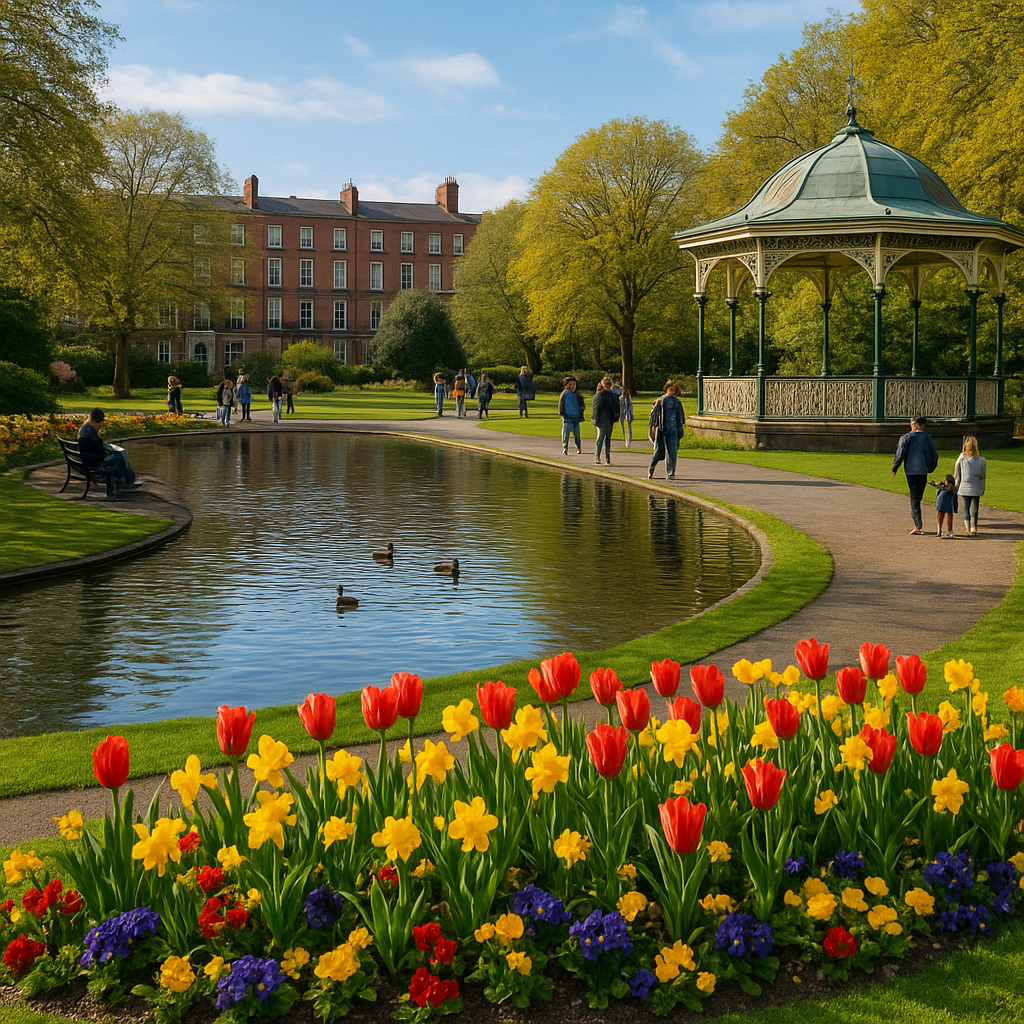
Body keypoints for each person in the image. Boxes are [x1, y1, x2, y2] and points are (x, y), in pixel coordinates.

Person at [891, 415, 939, 535]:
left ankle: (918, 525)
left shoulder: (906, 438)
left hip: (911, 470)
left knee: (914, 497)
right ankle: (917, 522)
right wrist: (930, 468)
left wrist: (895, 468)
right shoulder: (927, 438)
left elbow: (900, 454)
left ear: (917, 425)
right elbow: (934, 455)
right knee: (917, 496)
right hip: (923, 470)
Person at [77, 408, 135, 499]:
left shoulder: (85, 427)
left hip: (89, 459)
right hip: (94, 462)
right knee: (119, 457)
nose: (101, 425)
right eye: (101, 422)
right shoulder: (90, 432)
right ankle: (126, 482)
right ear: (98, 421)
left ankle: (127, 481)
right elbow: (100, 450)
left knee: (118, 455)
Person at [647, 380, 686, 480]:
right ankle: (652, 467)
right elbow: (654, 417)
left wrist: (680, 428)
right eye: (671, 389)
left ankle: (670, 473)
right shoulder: (660, 401)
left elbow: (680, 417)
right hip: (662, 429)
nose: (672, 392)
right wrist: (653, 428)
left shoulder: (676, 402)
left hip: (672, 430)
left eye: (674, 390)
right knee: (660, 452)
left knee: (671, 452)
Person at [954, 434, 987, 536]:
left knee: (966, 507)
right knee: (974, 507)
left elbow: (957, 472)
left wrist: (956, 484)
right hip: (976, 486)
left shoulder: (962, 458)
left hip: (964, 486)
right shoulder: (981, 460)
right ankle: (973, 528)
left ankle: (968, 528)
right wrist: (982, 488)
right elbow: (983, 476)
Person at [591, 375, 620, 465]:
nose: (607, 386)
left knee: (608, 439)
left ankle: (607, 458)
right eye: (606, 384)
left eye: (609, 384)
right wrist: (596, 420)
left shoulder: (613, 395)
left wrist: (616, 416)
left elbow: (616, 408)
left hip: (609, 419)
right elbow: (596, 409)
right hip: (601, 419)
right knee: (600, 437)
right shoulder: (599, 395)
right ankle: (597, 456)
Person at [557, 376, 586, 455]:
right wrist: (562, 414)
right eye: (570, 384)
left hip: (576, 417)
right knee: (566, 434)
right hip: (567, 417)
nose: (572, 386)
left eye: (574, 384)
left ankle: (578, 447)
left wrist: (581, 412)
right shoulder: (565, 394)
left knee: (577, 434)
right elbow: (561, 405)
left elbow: (582, 405)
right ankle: (565, 448)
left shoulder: (577, 394)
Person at [932, 473, 958, 538]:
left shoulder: (942, 489)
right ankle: (948, 530)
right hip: (947, 504)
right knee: (947, 517)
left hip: (942, 504)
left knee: (940, 517)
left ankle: (940, 530)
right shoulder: (951, 490)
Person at [616, 381, 634, 446]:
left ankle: (628, 440)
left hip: (627, 413)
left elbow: (630, 406)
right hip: (621, 412)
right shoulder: (620, 396)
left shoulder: (628, 398)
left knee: (628, 427)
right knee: (623, 426)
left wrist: (630, 414)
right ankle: (625, 438)